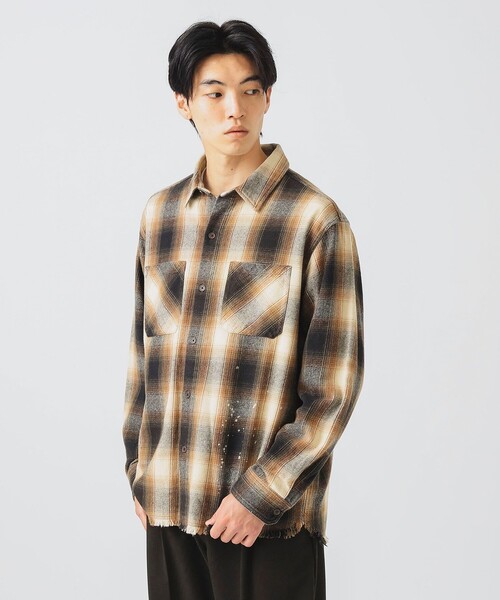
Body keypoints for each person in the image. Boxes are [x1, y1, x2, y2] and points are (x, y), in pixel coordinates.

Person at [122, 18, 364, 600]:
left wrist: (260, 496)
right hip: (169, 509)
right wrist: (139, 470)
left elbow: (333, 390)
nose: (236, 108)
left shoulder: (314, 220)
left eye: (250, 90)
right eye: (215, 93)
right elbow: (143, 361)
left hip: (267, 525)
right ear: (183, 103)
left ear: (268, 97)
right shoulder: (160, 217)